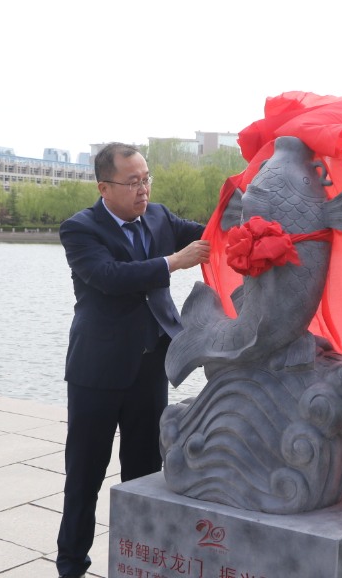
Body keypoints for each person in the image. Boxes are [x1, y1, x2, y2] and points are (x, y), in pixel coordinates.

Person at [55, 142, 209, 578]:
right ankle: (71, 566)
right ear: (104, 187)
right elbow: (108, 276)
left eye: (146, 179)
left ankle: (139, 562)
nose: (143, 189)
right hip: (97, 371)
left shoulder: (159, 217)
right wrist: (174, 262)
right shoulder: (80, 229)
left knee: (144, 475)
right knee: (84, 478)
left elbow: (212, 231)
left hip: (150, 366)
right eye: (132, 182)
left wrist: (252, 214)